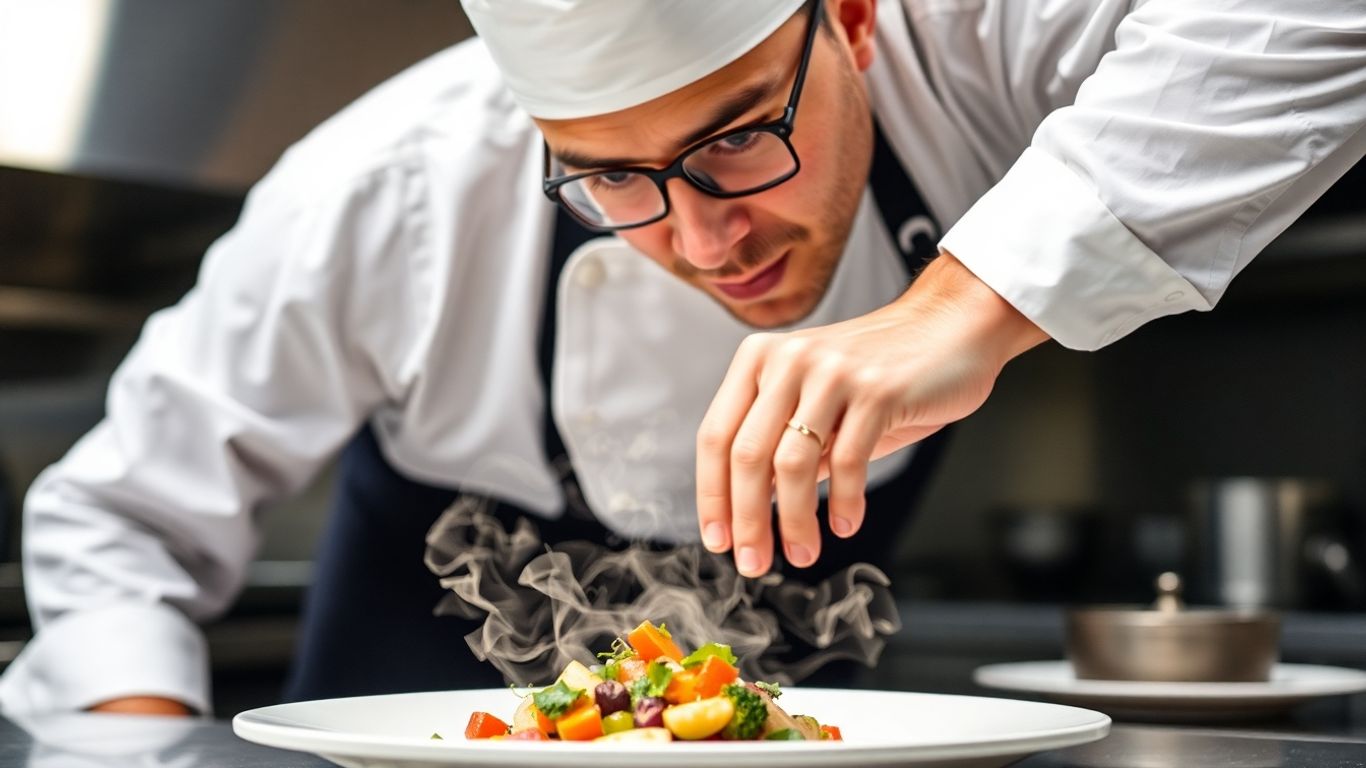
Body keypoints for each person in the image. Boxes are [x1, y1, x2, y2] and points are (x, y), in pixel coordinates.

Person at [1, 0, 1362, 718]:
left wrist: (971, 300)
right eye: (608, 180)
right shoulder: (373, 194)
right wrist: (135, 737)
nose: (707, 239)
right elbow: (116, 518)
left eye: (733, 141)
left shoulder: (973, 39)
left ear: (850, 18)